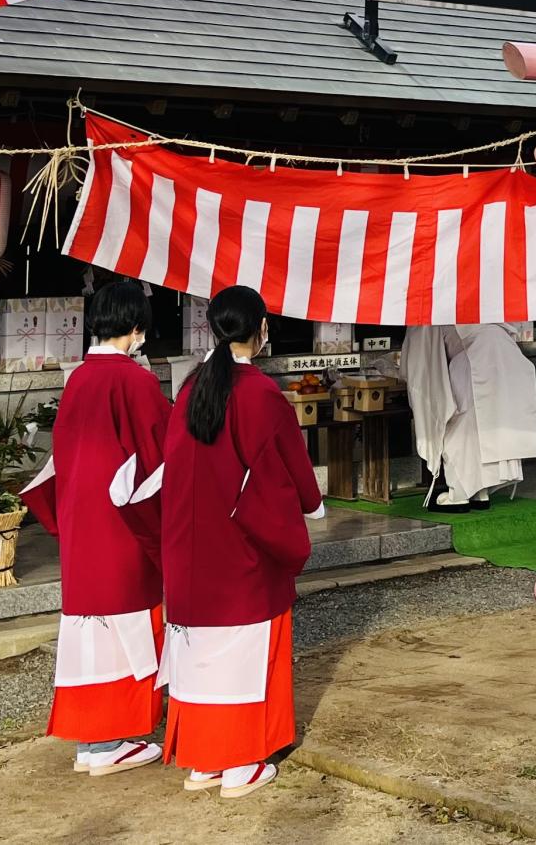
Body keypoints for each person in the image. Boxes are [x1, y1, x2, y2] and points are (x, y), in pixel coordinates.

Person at [160, 286, 322, 799]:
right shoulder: (260, 393)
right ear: (263, 329)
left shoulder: (189, 389)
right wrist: (310, 504)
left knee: (201, 658)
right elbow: (291, 471)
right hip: (241, 554)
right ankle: (243, 761)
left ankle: (203, 760)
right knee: (249, 656)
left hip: (190, 551)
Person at [19, 279, 170, 776]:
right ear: (135, 327)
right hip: (122, 525)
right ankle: (110, 741)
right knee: (128, 625)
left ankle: (91, 740)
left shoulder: (79, 378)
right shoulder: (136, 381)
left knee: (89, 632)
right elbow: (161, 455)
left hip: (83, 525)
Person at [402, 322, 536, 508]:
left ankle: (458, 494)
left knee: (461, 428)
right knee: (489, 428)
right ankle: (480, 491)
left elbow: (419, 359)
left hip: (473, 359)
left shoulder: (428, 306)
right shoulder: (479, 296)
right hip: (505, 354)